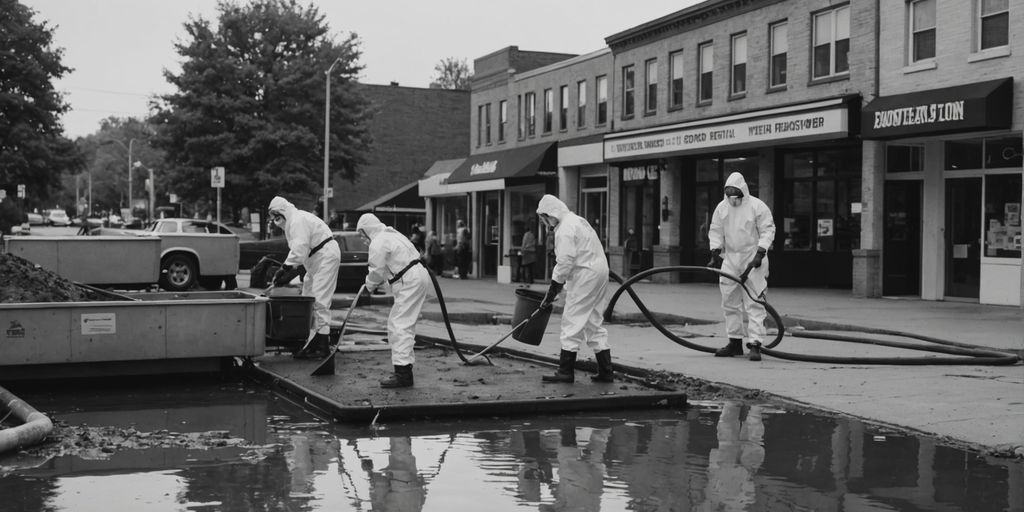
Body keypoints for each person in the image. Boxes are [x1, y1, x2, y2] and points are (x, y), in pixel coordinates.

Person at [536, 194, 614, 384]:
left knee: (572, 320)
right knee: (593, 322)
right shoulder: (578, 220)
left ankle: (565, 371)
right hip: (600, 272)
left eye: (545, 218)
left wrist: (553, 289)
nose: (546, 224)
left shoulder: (564, 229)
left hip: (586, 275)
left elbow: (565, 262)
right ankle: (606, 371)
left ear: (551, 213)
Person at [707, 172, 776, 361]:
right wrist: (715, 250)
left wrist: (761, 252)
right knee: (729, 301)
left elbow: (768, 229)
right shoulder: (722, 208)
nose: (733, 201)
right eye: (730, 198)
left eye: (736, 198)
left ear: (743, 193)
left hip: (753, 258)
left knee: (754, 302)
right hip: (730, 258)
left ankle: (755, 344)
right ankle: (734, 342)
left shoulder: (757, 206)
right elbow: (715, 229)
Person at [357, 213, 431, 388]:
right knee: (400, 323)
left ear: (369, 230)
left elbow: (376, 271)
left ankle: (403, 374)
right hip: (417, 276)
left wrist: (368, 287)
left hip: (409, 280)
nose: (362, 239)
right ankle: (403, 368)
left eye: (362, 234)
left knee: (400, 325)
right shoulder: (393, 235)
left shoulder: (378, 241)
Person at [268, 196, 341, 359]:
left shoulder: (297, 221)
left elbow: (299, 249)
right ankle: (313, 340)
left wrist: (284, 268)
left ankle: (322, 345)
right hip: (317, 259)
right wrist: (287, 269)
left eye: (275, 215)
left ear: (283, 210)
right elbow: (299, 252)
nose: (274, 220)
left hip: (325, 257)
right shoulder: (294, 221)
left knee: (320, 300)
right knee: (308, 297)